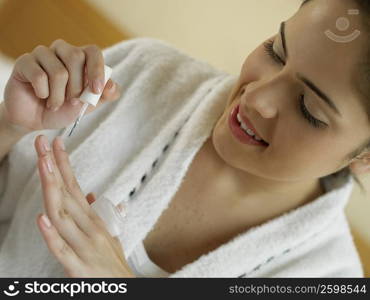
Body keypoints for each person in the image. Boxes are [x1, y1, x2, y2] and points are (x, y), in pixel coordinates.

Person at [0, 0, 369, 277]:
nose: (256, 98)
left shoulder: (325, 276)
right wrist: (12, 125)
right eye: (276, 52)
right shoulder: (143, 72)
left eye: (309, 109)